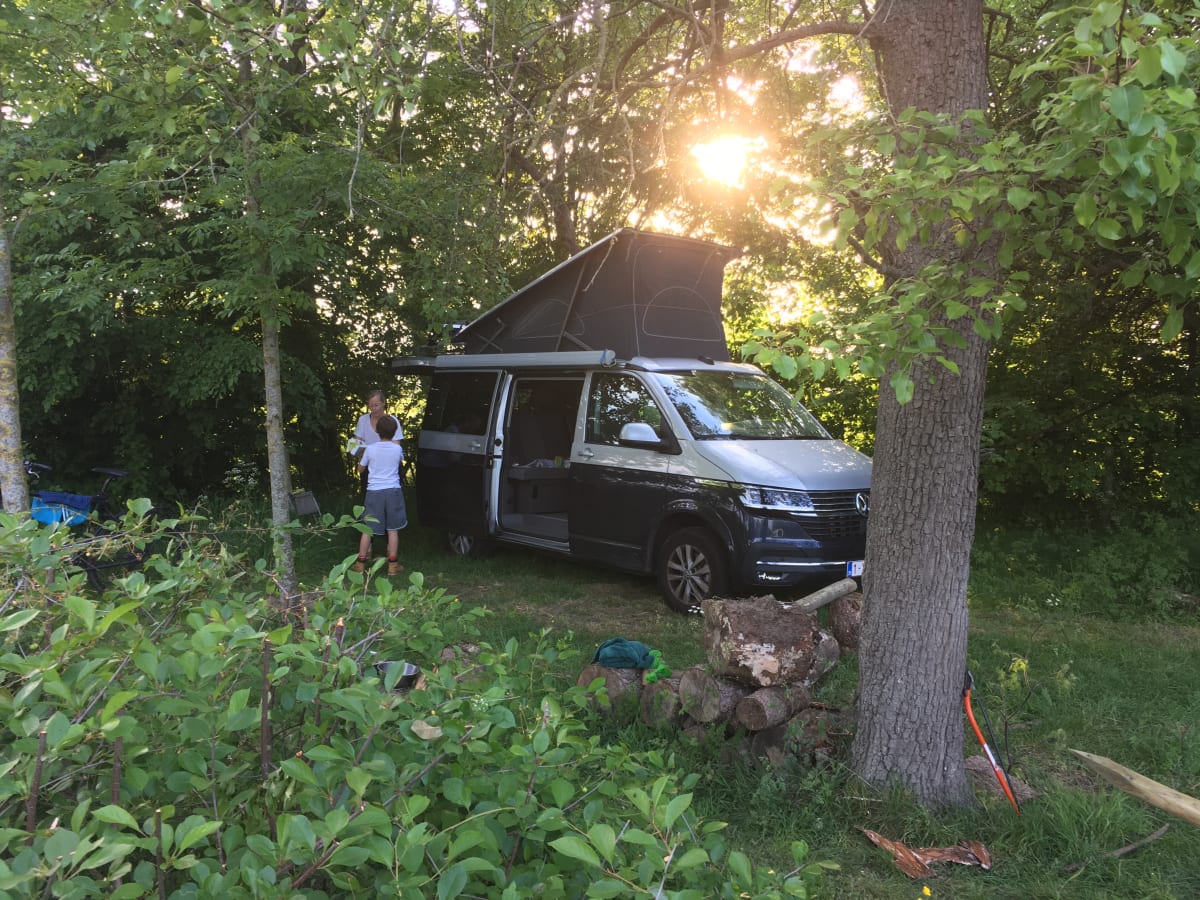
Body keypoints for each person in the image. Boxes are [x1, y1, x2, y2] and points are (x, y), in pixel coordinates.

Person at [353, 413, 407, 575]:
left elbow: (360, 469)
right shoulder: (397, 449)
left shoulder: (370, 449)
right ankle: (393, 564)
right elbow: (398, 462)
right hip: (393, 491)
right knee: (393, 529)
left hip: (374, 492)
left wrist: (361, 458)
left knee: (368, 528)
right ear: (394, 431)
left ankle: (360, 563)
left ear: (377, 430)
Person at [352, 389, 405, 486]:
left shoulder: (393, 421)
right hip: (368, 465)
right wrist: (359, 455)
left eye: (376, 405)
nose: (373, 408)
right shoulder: (363, 420)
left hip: (389, 467)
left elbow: (396, 447)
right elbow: (355, 445)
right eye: (371, 406)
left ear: (383, 403)